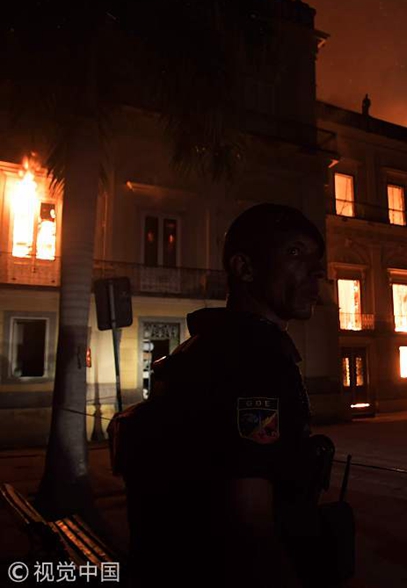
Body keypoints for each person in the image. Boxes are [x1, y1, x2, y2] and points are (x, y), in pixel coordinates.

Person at [110, 204, 329, 587]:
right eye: (295, 252)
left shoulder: (194, 350)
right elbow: (250, 528)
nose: (317, 271)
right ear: (244, 268)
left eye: (317, 258)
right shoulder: (255, 360)